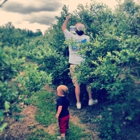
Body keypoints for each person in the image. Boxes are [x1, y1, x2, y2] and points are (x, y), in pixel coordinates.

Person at [62, 16, 98, 109]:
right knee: (88, 83)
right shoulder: (87, 38)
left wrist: (67, 19)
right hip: (84, 64)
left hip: (74, 65)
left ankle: (78, 103)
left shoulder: (71, 37)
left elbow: (63, 28)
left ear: (75, 30)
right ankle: (90, 100)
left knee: (76, 85)